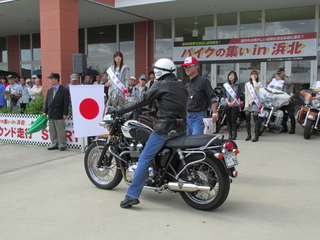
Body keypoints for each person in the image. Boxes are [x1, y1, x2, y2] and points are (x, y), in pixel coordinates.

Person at [111, 58, 188, 208]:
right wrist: (156, 110)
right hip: (181, 128)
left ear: (159, 71)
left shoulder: (159, 85)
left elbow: (141, 100)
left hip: (165, 130)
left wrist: (120, 109)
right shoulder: (181, 85)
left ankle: (132, 195)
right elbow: (173, 105)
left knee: (144, 158)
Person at [182, 56, 218, 135]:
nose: (186, 69)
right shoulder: (187, 84)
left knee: (196, 141)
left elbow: (212, 97)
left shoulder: (203, 81)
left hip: (199, 117)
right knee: (187, 142)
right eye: (185, 67)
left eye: (189, 66)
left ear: (197, 66)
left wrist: (214, 113)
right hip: (188, 116)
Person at [43, 73, 70, 151]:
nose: (50, 81)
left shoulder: (64, 90)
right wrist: (45, 111)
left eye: (51, 79)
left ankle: (62, 144)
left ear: (56, 79)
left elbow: (66, 102)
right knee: (52, 129)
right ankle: (54, 143)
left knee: (60, 129)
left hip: (59, 112)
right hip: (51, 112)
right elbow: (47, 102)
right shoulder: (50, 90)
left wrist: (65, 113)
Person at [267, 68, 295, 134]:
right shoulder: (277, 80)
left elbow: (289, 82)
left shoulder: (288, 78)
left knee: (291, 114)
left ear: (283, 72)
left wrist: (282, 80)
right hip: (281, 99)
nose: (279, 75)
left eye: (280, 73)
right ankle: (284, 128)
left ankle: (293, 129)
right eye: (278, 74)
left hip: (288, 99)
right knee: (283, 114)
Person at [223, 71, 242, 140]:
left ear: (235, 76)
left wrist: (233, 102)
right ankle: (230, 135)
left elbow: (238, 94)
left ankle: (234, 134)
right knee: (228, 120)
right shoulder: (226, 85)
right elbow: (224, 95)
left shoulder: (238, 85)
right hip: (227, 104)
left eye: (232, 75)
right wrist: (228, 102)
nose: (231, 76)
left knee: (233, 119)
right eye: (229, 75)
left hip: (235, 104)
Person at [244, 70, 262, 142]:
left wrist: (254, 80)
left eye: (255, 74)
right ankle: (249, 135)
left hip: (255, 103)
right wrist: (246, 104)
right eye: (252, 74)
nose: (254, 75)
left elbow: (256, 87)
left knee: (255, 120)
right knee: (247, 120)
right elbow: (246, 94)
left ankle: (256, 136)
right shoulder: (247, 84)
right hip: (249, 103)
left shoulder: (259, 83)